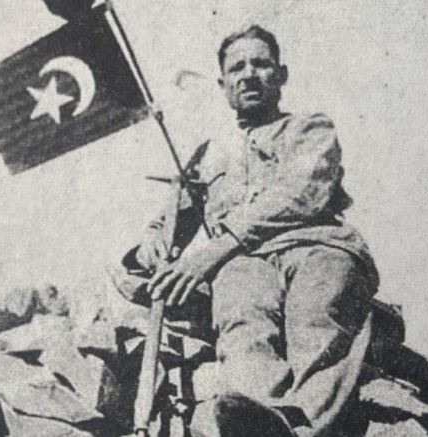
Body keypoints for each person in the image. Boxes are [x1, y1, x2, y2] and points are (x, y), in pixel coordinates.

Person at [125, 25, 380, 437]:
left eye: (260, 64)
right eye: (237, 67)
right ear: (223, 85)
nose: (248, 75)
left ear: (281, 74)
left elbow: (302, 193)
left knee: (317, 319)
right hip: (243, 262)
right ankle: (260, 419)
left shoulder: (309, 129)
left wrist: (215, 249)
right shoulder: (209, 157)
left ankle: (304, 426)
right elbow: (172, 217)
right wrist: (152, 241)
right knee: (241, 320)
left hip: (316, 245)